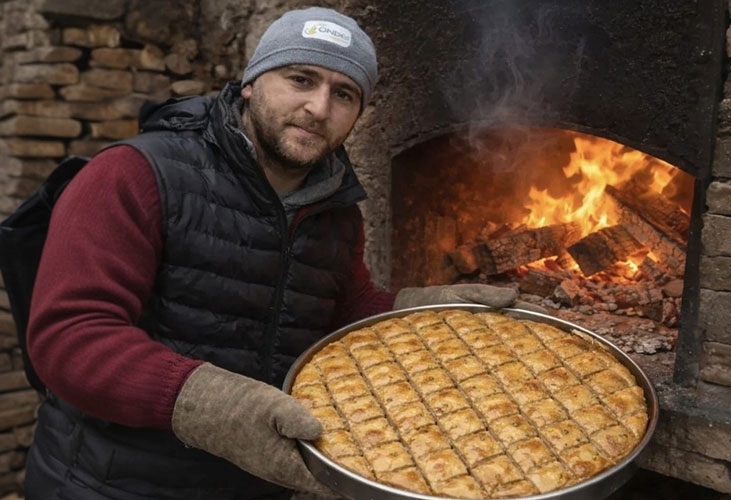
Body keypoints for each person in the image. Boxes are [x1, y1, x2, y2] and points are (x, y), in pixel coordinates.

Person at [22, 7, 521, 500]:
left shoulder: (335, 207)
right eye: (300, 79)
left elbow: (339, 312)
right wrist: (212, 402)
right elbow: (69, 337)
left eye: (343, 94)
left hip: (260, 481)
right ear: (250, 83)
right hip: (110, 482)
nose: (319, 108)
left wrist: (422, 312)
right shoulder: (135, 174)